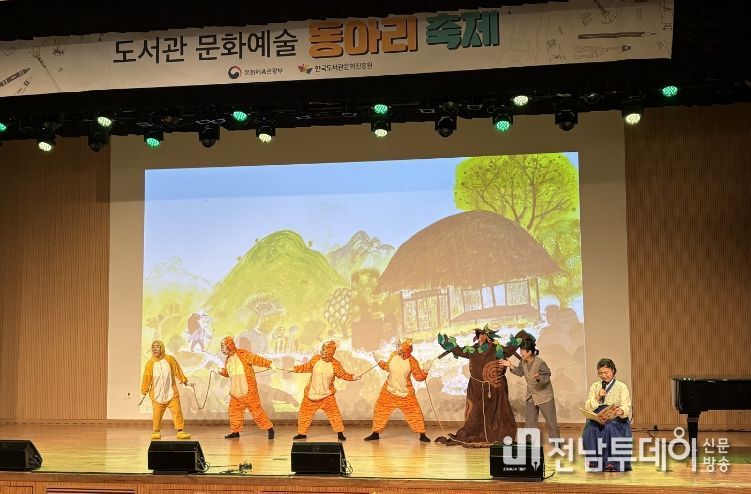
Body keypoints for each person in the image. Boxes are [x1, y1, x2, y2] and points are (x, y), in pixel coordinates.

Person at [435, 326, 517, 446]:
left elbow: (510, 349)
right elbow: (458, 350)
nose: (481, 337)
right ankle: (476, 433)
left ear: (489, 337)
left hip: (494, 388)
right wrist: (447, 343)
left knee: (497, 412)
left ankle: (495, 434)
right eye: (479, 335)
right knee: (475, 413)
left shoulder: (497, 349)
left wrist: (521, 337)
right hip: (476, 388)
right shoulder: (472, 350)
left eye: (484, 334)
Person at [288, 340, 359, 441]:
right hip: (311, 395)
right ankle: (302, 433)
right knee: (304, 415)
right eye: (322, 349)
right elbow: (306, 367)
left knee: (334, 415)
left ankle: (340, 433)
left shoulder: (336, 364)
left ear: (330, 352)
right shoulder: (316, 359)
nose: (321, 351)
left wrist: (353, 377)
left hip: (327, 396)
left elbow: (343, 374)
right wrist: (294, 369)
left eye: (324, 350)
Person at [364, 338, 432, 442]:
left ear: (406, 348)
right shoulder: (393, 355)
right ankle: (375, 434)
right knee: (380, 411)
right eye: (397, 345)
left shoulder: (412, 361)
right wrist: (378, 361)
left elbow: (418, 377)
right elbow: (387, 367)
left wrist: (425, 370)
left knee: (415, 413)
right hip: (388, 391)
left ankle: (422, 435)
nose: (397, 347)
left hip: (405, 394)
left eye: (400, 346)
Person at [500, 338, 560, 442]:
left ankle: (556, 442)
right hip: (531, 395)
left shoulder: (540, 363)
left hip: (544, 396)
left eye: (523, 350)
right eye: (521, 350)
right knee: (530, 422)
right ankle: (529, 442)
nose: (520, 352)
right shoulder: (522, 362)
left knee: (551, 422)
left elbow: (546, 377)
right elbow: (520, 372)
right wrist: (510, 366)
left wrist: (539, 377)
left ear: (530, 352)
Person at [219, 336, 275, 439]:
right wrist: (222, 372)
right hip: (235, 393)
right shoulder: (228, 360)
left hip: (249, 391)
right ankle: (235, 432)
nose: (221, 349)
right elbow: (229, 374)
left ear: (229, 346)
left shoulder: (242, 354)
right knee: (234, 412)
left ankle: (269, 428)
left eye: (223, 346)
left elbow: (255, 359)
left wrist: (268, 364)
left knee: (257, 412)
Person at [581, 358, 632, 472]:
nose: (603, 376)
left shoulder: (621, 386)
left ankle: (612, 462)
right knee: (590, 429)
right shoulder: (595, 386)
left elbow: (626, 406)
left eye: (606, 372)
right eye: (600, 373)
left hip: (615, 418)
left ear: (613, 371)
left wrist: (621, 411)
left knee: (609, 427)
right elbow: (588, 407)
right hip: (598, 416)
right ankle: (594, 461)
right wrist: (598, 397)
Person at [140, 340, 192, 439]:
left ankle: (180, 431)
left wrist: (184, 381)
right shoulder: (149, 364)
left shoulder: (169, 359)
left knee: (177, 412)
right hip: (157, 395)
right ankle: (156, 431)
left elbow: (177, 371)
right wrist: (144, 392)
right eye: (153, 347)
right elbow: (146, 379)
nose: (155, 349)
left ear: (162, 348)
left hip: (171, 393)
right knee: (157, 415)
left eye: (157, 347)